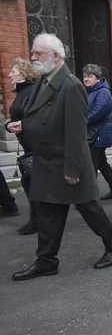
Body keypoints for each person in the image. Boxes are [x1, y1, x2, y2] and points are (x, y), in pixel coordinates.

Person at [9, 33, 112, 281]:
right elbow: (44, 117)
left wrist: (73, 169)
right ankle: (46, 260)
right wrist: (24, 126)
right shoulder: (44, 81)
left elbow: (75, 131)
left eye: (38, 53)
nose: (33, 57)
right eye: (33, 52)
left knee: (90, 210)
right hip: (47, 161)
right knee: (48, 213)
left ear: (56, 56)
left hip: (68, 163)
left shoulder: (71, 85)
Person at [2, 58, 39, 224]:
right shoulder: (20, 92)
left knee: (31, 182)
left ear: (23, 73)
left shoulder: (34, 91)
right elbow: (15, 117)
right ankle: (37, 220)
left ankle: (38, 221)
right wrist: (8, 124)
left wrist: (23, 124)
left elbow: (41, 117)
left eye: (14, 72)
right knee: (29, 182)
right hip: (28, 145)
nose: (10, 74)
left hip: (38, 145)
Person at [82, 64, 112, 200]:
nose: (86, 79)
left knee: (92, 165)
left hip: (99, 134)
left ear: (98, 78)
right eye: (85, 76)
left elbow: (97, 112)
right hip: (93, 133)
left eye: (90, 76)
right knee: (102, 164)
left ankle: (89, 196)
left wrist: (82, 121)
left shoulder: (103, 92)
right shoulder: (89, 91)